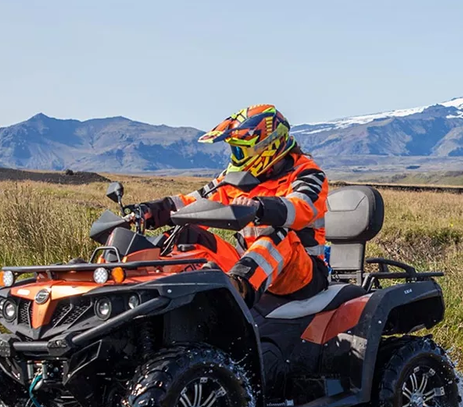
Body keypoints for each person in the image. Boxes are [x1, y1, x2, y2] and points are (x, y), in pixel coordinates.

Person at [132, 105, 329, 310]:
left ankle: (235, 292)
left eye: (241, 149)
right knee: (188, 233)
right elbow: (198, 201)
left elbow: (301, 207)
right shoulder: (237, 177)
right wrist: (154, 210)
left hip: (301, 274)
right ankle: (144, 286)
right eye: (235, 149)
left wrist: (260, 207)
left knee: (279, 232)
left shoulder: (308, 174)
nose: (237, 156)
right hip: (249, 264)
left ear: (268, 145)